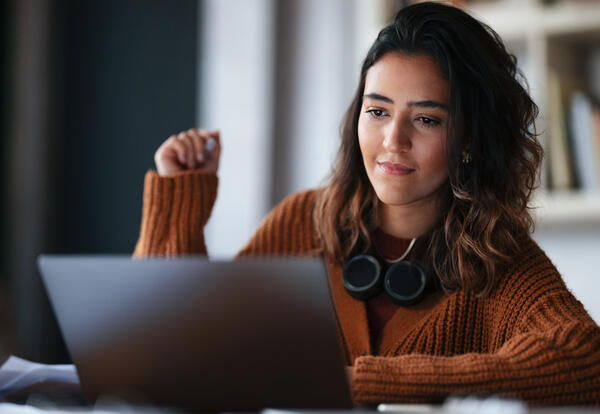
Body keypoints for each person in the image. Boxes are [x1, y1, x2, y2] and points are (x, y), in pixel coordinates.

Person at [134, 1, 600, 407]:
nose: (392, 141)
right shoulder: (303, 223)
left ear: (470, 140)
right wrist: (178, 201)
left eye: (425, 119)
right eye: (377, 111)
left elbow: (585, 358)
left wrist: (360, 384)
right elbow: (170, 349)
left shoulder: (498, 260)